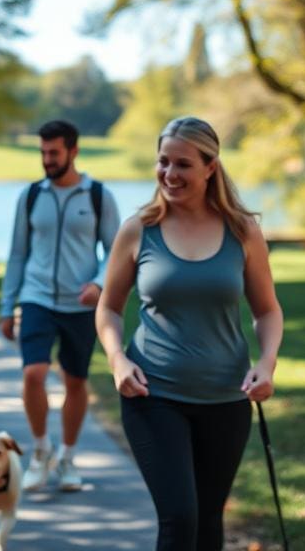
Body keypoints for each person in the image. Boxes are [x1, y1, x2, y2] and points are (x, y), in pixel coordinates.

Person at [96, 116, 284, 550]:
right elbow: (108, 307)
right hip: (153, 395)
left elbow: (268, 311)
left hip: (226, 398)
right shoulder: (138, 229)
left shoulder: (243, 232)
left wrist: (266, 364)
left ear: (210, 167)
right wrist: (117, 360)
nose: (169, 174)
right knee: (180, 518)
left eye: (182, 164)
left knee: (208, 522)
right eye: (163, 162)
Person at [0, 120, 120, 492]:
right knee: (33, 374)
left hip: (80, 305)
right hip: (37, 297)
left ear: (73, 151)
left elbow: (115, 250)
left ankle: (67, 456)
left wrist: (99, 284)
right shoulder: (32, 196)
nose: (47, 160)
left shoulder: (98, 195)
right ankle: (40, 450)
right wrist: (8, 305)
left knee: (76, 380)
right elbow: (18, 253)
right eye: (43, 153)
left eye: (53, 153)